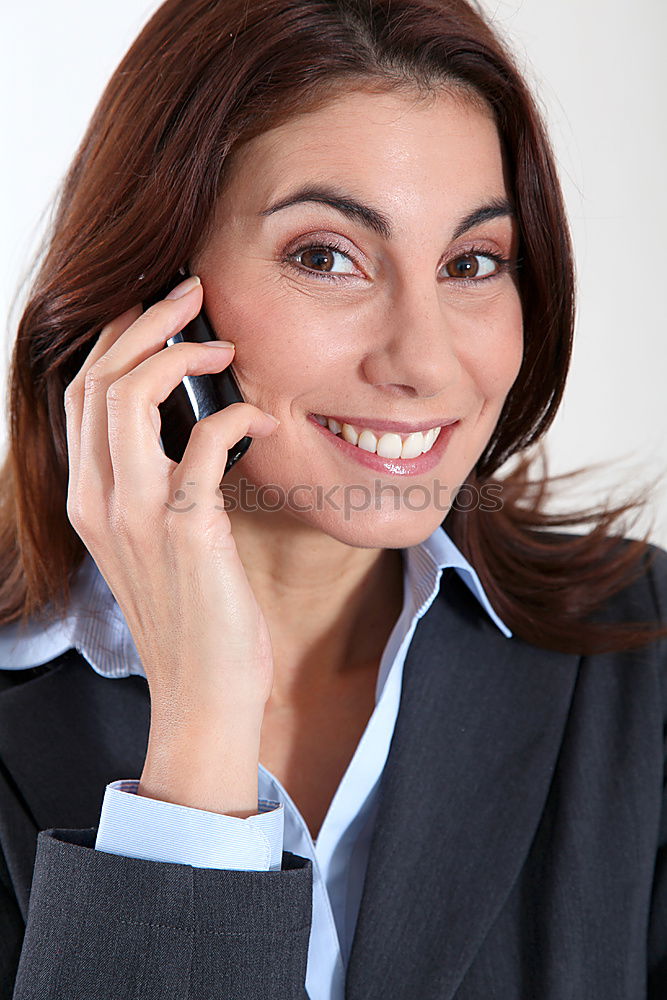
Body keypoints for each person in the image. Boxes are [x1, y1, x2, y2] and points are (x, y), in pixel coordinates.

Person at [0, 0, 666, 997]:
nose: (423, 359)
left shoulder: (642, 654)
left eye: (471, 263)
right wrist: (200, 736)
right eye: (326, 257)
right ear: (153, 292)